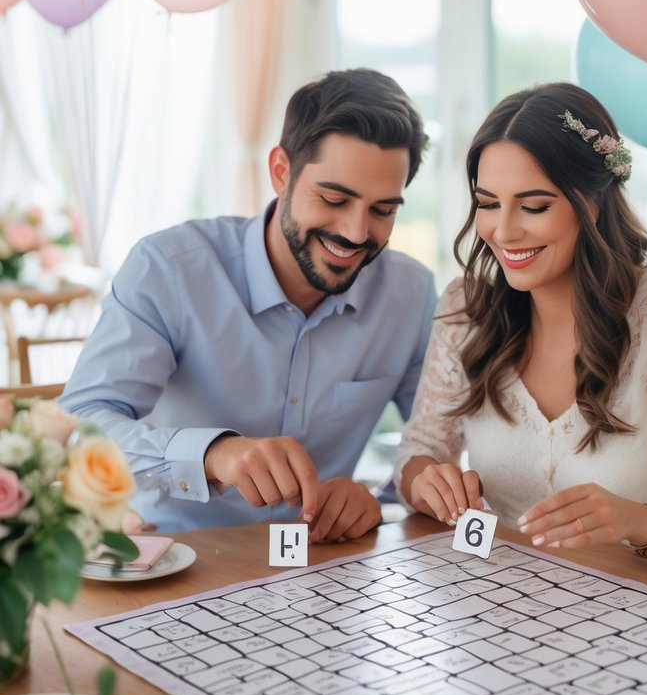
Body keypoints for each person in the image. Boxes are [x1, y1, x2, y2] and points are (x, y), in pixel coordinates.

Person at [62, 68, 437, 540]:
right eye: (334, 198)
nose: (356, 232)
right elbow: (79, 430)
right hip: (170, 557)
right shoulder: (168, 270)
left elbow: (437, 443)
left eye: (383, 210)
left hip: (324, 570)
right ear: (281, 171)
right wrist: (210, 454)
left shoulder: (411, 293)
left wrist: (378, 497)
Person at [395, 82, 647, 565]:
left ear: (592, 204)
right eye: (488, 202)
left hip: (637, 610)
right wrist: (426, 480)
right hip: (497, 602)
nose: (504, 229)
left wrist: (635, 519)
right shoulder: (466, 308)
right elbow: (421, 448)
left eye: (534, 205)